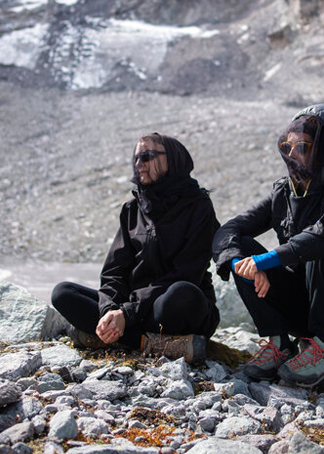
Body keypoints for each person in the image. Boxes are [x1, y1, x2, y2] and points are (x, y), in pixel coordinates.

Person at [212, 104, 324, 387]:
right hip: (307, 307)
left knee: (322, 244)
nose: (291, 154)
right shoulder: (283, 192)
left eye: (302, 146)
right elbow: (229, 230)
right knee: (241, 246)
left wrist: (268, 260)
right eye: (287, 146)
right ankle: (280, 343)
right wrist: (243, 264)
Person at [51, 133, 220, 365]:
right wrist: (111, 310)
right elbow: (114, 271)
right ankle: (145, 343)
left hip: (172, 308)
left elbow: (186, 273)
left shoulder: (199, 207)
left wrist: (127, 313)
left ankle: (105, 337)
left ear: (172, 159)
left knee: (181, 294)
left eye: (147, 156)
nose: (139, 163)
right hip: (133, 311)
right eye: (136, 157)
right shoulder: (132, 209)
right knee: (63, 293)